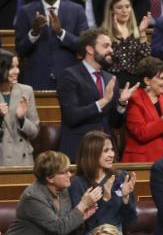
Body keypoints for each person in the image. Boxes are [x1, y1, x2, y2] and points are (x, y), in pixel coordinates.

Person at [1, 151, 102, 235]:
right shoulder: (33, 197)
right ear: (50, 178)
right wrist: (83, 205)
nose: (69, 174)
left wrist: (82, 216)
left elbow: (67, 224)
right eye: (64, 172)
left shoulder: (63, 191)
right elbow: (59, 227)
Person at [57, 28, 134, 161]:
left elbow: (115, 123)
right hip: (80, 152)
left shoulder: (110, 79)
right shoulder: (69, 76)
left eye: (111, 46)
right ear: (90, 49)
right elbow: (71, 116)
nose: (111, 50)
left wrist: (121, 103)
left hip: (107, 153)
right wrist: (103, 102)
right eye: (105, 46)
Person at [15, 0, 88, 90]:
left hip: (68, 78)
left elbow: (84, 46)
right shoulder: (26, 12)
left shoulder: (76, 10)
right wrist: (34, 33)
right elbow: (20, 50)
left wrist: (61, 33)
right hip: (36, 79)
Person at [71, 132, 138, 235]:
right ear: (92, 153)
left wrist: (125, 199)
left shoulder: (121, 177)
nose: (112, 154)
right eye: (106, 150)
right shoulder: (77, 183)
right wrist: (105, 199)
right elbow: (82, 225)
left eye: (112, 150)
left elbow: (131, 218)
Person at [0, 49, 39, 166]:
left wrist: (22, 119)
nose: (17, 71)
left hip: (22, 160)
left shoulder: (27, 91)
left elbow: (34, 133)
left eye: (17, 66)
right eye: (11, 67)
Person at [123, 56, 163, 162]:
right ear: (147, 80)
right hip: (143, 161)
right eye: (162, 78)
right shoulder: (134, 100)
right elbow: (141, 133)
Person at [101, 0, 152, 86]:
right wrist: (120, 37)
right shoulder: (103, 34)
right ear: (111, 10)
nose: (124, 11)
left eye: (127, 7)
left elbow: (146, 60)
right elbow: (109, 61)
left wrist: (142, 32)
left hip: (136, 82)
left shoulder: (136, 31)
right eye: (119, 7)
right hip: (114, 82)